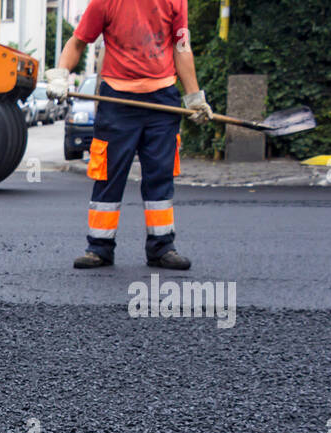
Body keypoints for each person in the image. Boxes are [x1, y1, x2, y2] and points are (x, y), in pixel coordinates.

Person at [46, 0, 212, 270]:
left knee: (160, 173)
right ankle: (99, 248)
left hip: (162, 99)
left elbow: (181, 48)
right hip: (117, 99)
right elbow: (77, 42)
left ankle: (162, 247)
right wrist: (61, 76)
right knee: (109, 173)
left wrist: (193, 98)